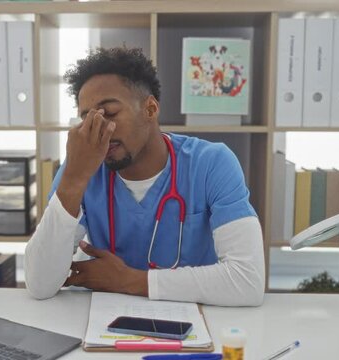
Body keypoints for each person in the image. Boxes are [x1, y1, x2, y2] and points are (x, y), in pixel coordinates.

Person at [24, 47, 264, 306]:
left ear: (150, 109)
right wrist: (72, 180)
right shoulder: (81, 169)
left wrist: (129, 281)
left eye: (110, 113)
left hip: (194, 327)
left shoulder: (211, 163)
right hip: (106, 328)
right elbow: (39, 284)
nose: (98, 130)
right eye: (87, 119)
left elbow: (247, 281)